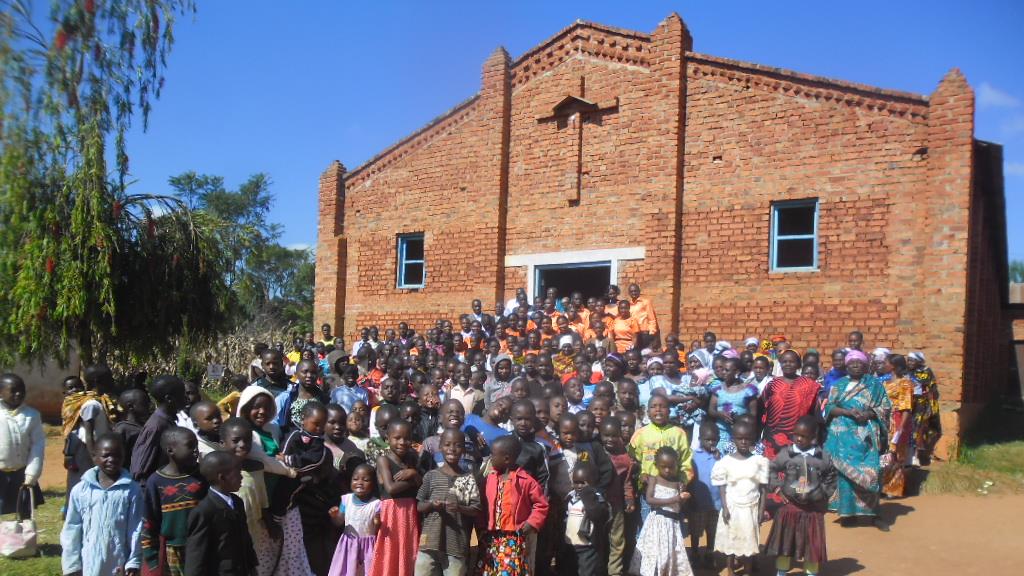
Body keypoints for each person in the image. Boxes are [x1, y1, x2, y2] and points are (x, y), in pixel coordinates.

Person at [823, 349, 892, 529]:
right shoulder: (838, 385)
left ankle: (873, 514)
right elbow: (829, 407)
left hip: (865, 436)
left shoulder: (874, 385)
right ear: (846, 365)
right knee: (845, 475)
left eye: (859, 363)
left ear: (865, 365)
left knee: (871, 472)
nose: (855, 365)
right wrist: (846, 412)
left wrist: (868, 413)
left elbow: (884, 407)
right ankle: (848, 513)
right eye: (851, 363)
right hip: (842, 436)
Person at [61, 433, 144, 576]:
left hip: (119, 564)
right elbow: (71, 528)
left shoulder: (132, 490)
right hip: (88, 563)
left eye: (117, 456)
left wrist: (134, 561)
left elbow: (136, 528)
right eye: (106, 456)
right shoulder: (81, 490)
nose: (112, 460)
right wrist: (71, 565)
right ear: (94, 457)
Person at [765, 417, 836, 576]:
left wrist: (823, 493)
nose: (798, 438)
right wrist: (777, 488)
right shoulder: (787, 454)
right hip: (790, 508)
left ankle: (811, 573)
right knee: (785, 545)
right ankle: (781, 572)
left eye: (803, 436)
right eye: (795, 434)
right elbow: (771, 469)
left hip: (813, 511)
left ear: (813, 437)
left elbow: (831, 475)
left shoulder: (822, 457)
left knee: (812, 546)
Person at [475, 435, 549, 576]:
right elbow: (482, 504)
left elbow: (541, 504)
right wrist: (481, 526)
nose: (490, 458)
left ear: (507, 459)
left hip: (513, 537)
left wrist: (531, 523)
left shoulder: (526, 481)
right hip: (491, 536)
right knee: (489, 568)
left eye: (493, 455)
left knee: (508, 570)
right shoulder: (490, 478)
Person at [415, 428, 482, 576]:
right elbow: (419, 505)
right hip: (430, 542)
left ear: (464, 449)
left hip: (456, 544)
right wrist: (432, 505)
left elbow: (476, 509)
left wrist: (460, 508)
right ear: (440, 447)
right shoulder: (430, 476)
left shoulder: (468, 479)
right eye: (447, 444)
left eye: (458, 445)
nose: (452, 449)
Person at [141, 427, 207, 576]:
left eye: (196, 445)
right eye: (190, 446)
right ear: (170, 450)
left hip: (202, 544)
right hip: (174, 549)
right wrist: (152, 558)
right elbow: (149, 521)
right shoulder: (156, 481)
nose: (196, 450)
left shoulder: (202, 474)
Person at [185, 451, 258, 576]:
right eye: (238, 473)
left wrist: (252, 567)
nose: (241, 477)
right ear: (222, 477)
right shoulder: (204, 511)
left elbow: (245, 539)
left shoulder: (237, 502)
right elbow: (196, 556)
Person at [711, 420, 769, 576]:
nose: (743, 441)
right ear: (733, 439)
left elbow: (763, 489)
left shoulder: (759, 462)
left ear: (753, 439)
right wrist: (724, 507)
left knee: (749, 543)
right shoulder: (725, 462)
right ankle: (730, 570)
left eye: (747, 438)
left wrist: (761, 510)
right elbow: (722, 487)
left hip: (751, 508)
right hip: (731, 508)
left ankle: (748, 571)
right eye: (739, 438)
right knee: (731, 541)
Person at [629, 446, 694, 576]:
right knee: (655, 551)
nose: (667, 470)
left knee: (669, 551)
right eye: (663, 466)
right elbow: (650, 500)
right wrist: (673, 499)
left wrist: (684, 498)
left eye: (671, 467)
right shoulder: (654, 480)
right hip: (657, 523)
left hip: (672, 525)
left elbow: (679, 506)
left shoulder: (678, 483)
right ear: (656, 465)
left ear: (677, 465)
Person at [628, 395, 692, 524]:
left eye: (662, 406)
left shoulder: (679, 433)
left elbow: (686, 461)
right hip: (649, 490)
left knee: (670, 524)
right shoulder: (640, 434)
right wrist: (641, 475)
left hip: (672, 490)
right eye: (653, 407)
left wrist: (683, 481)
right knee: (648, 524)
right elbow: (634, 459)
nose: (658, 410)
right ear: (647, 412)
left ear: (669, 411)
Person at [373, 420, 425, 576]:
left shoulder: (411, 460)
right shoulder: (383, 460)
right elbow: (391, 488)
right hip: (392, 513)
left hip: (409, 513)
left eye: (407, 438)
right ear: (387, 439)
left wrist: (414, 473)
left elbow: (421, 485)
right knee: (391, 550)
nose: (402, 442)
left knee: (408, 550)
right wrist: (412, 478)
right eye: (397, 438)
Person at [62, 366, 116, 500]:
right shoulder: (91, 404)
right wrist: (95, 457)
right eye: (109, 379)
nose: (112, 382)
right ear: (97, 381)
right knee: (83, 483)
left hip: (93, 449)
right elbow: (88, 433)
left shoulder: (99, 401)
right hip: (87, 450)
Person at [761, 350, 821, 459]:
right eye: (784, 361)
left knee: (795, 470)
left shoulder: (809, 385)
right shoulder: (772, 385)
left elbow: (815, 415)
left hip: (799, 437)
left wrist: (815, 437)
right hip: (772, 437)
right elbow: (763, 410)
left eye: (791, 362)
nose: (787, 364)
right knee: (773, 470)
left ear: (798, 364)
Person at [0, 373, 45, 518]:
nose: (18, 393)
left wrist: (32, 472)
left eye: (22, 390)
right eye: (13, 390)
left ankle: (23, 538)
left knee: (24, 508)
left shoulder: (32, 415)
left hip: (21, 472)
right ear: (1, 392)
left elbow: (37, 445)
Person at [131, 374, 187, 485]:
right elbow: (140, 468)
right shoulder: (157, 426)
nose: (186, 398)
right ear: (169, 399)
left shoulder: (168, 421)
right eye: (182, 394)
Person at [328, 464, 381, 576]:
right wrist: (335, 516)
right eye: (355, 479)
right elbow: (339, 522)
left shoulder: (376, 504)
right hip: (349, 545)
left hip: (368, 548)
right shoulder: (346, 500)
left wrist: (378, 522)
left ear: (373, 484)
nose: (359, 482)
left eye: (365, 480)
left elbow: (378, 529)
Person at [599, 417, 636, 576]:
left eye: (614, 435)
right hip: (598, 505)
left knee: (617, 540)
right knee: (598, 539)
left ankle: (614, 571)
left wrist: (629, 499)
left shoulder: (625, 458)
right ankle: (598, 569)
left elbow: (627, 482)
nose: (610, 439)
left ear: (620, 435)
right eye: (606, 435)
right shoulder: (597, 452)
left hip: (617, 506)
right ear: (600, 434)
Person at [560, 464, 611, 576]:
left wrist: (587, 493)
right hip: (571, 546)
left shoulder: (596, 498)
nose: (578, 486)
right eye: (576, 482)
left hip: (588, 547)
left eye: (583, 482)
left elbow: (597, 515)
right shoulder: (570, 497)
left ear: (592, 482)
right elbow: (564, 519)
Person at [687, 422, 722, 569]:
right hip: (698, 503)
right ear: (700, 439)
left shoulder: (720, 457)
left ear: (718, 439)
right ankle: (694, 553)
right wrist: (690, 499)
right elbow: (690, 479)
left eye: (714, 440)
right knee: (695, 531)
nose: (711, 442)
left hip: (716, 503)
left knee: (712, 530)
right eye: (707, 440)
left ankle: (709, 553)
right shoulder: (693, 456)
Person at [707, 358, 759, 454]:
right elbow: (711, 410)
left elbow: (753, 415)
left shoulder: (749, 390)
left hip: (741, 437)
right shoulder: (718, 389)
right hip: (721, 434)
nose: (723, 372)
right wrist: (720, 415)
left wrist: (739, 419)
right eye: (722, 369)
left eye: (726, 370)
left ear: (737, 372)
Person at [881, 354, 914, 498]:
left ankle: (894, 488)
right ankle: (884, 485)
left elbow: (906, 407)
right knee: (886, 454)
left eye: (886, 363)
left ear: (893, 366)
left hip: (898, 420)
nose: (883, 365)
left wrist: (901, 427)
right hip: (885, 421)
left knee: (896, 454)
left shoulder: (905, 383)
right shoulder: (885, 383)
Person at [907, 351, 941, 465]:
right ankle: (908, 455)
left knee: (917, 428)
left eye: (912, 360)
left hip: (921, 404)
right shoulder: (905, 372)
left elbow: (933, 388)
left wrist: (932, 404)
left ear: (919, 361)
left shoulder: (926, 372)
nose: (910, 362)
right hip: (907, 403)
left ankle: (916, 456)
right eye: (908, 360)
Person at [114, 388, 150, 471]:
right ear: (130, 406)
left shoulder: (145, 425)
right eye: (144, 403)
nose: (149, 405)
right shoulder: (122, 429)